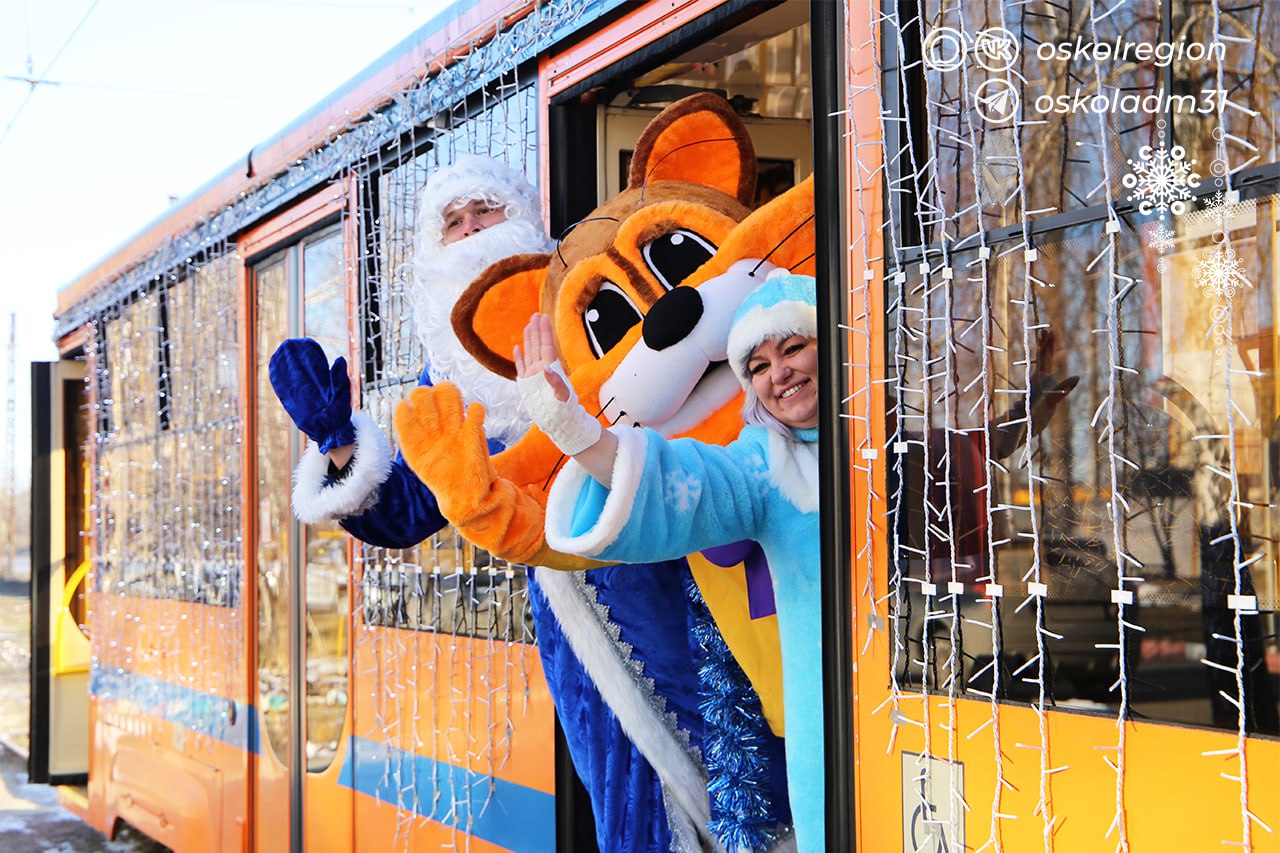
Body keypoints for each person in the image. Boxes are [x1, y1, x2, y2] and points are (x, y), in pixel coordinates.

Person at [269, 154, 749, 852]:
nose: (471, 230)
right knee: (624, 796)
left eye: (484, 210)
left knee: (741, 768)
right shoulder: (448, 374)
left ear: (519, 213)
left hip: (687, 563)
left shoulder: (588, 296)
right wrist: (339, 444)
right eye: (453, 222)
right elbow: (412, 507)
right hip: (576, 614)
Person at [516, 271, 826, 852]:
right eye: (758, 366)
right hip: (828, 725)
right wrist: (572, 429)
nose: (779, 373)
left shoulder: (893, 431)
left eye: (793, 348)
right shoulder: (764, 465)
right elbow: (678, 482)